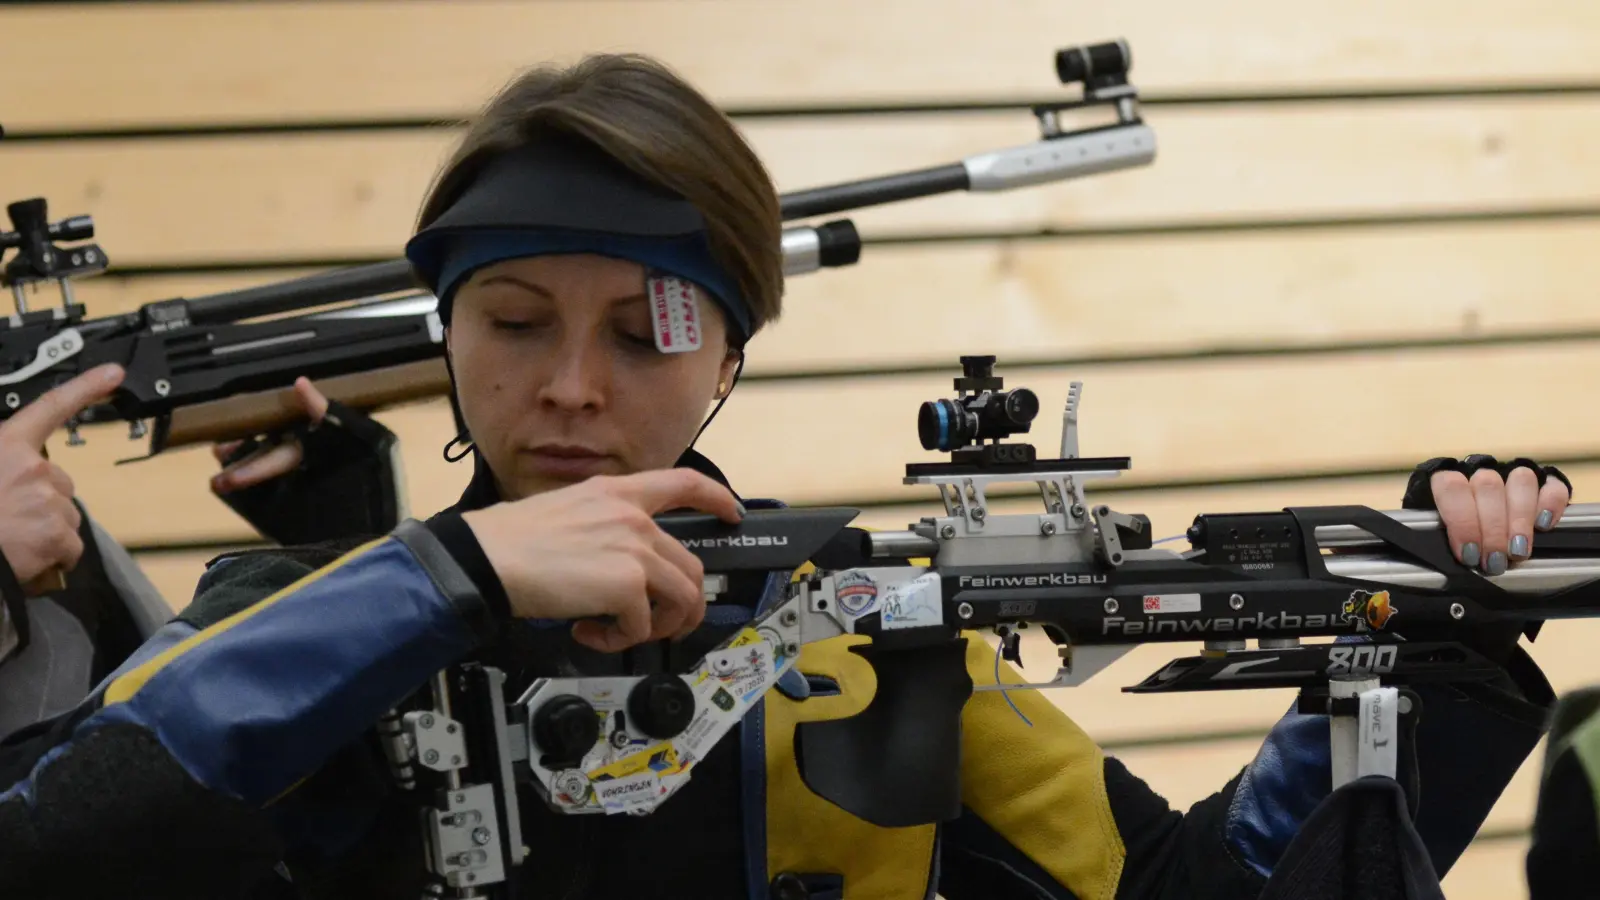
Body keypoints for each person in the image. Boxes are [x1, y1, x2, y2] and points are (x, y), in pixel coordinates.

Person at [0, 53, 1574, 900]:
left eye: (645, 331)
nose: (570, 384)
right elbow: (59, 838)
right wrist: (451, 585)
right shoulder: (302, 614)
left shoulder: (857, 635)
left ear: (730, 361)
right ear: (448, 338)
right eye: (514, 318)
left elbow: (1187, 893)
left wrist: (1426, 642)